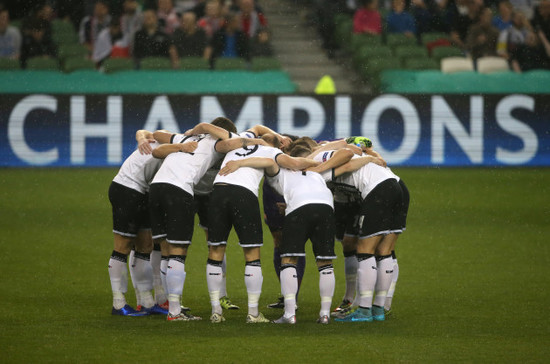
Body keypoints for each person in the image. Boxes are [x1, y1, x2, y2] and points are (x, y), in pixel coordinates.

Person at [148, 118, 268, 321]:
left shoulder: (187, 137)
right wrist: (258, 143)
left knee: (166, 248)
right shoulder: (215, 142)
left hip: (156, 188)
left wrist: (180, 145)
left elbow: (156, 146)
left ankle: (167, 303)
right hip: (179, 190)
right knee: (179, 250)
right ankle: (174, 311)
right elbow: (231, 143)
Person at [218, 146, 336, 325]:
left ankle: (289, 314)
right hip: (326, 207)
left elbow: (268, 162)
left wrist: (239, 162)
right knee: (325, 263)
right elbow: (347, 155)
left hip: (300, 207)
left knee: (288, 259)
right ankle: (325, 314)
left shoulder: (281, 171)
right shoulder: (318, 172)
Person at [206, 130, 315, 323]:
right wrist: (318, 162)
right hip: (243, 194)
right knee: (251, 253)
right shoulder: (271, 152)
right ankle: (253, 313)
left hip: (218, 191)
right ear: (278, 144)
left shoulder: (240, 144)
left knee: (215, 250)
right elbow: (296, 163)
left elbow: (258, 127)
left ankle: (216, 311)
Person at [309, 150, 408, 322]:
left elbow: (346, 157)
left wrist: (317, 172)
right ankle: (379, 308)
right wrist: (369, 157)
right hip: (398, 188)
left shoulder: (317, 169)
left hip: (378, 190)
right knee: (385, 250)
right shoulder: (324, 163)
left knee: (364, 250)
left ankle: (364, 310)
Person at [108, 129, 176, 316]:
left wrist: (141, 137)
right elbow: (144, 132)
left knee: (145, 245)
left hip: (142, 192)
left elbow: (143, 131)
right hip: (126, 189)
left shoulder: (173, 143)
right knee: (122, 246)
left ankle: (146, 302)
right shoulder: (176, 150)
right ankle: (118, 303)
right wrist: (141, 137)